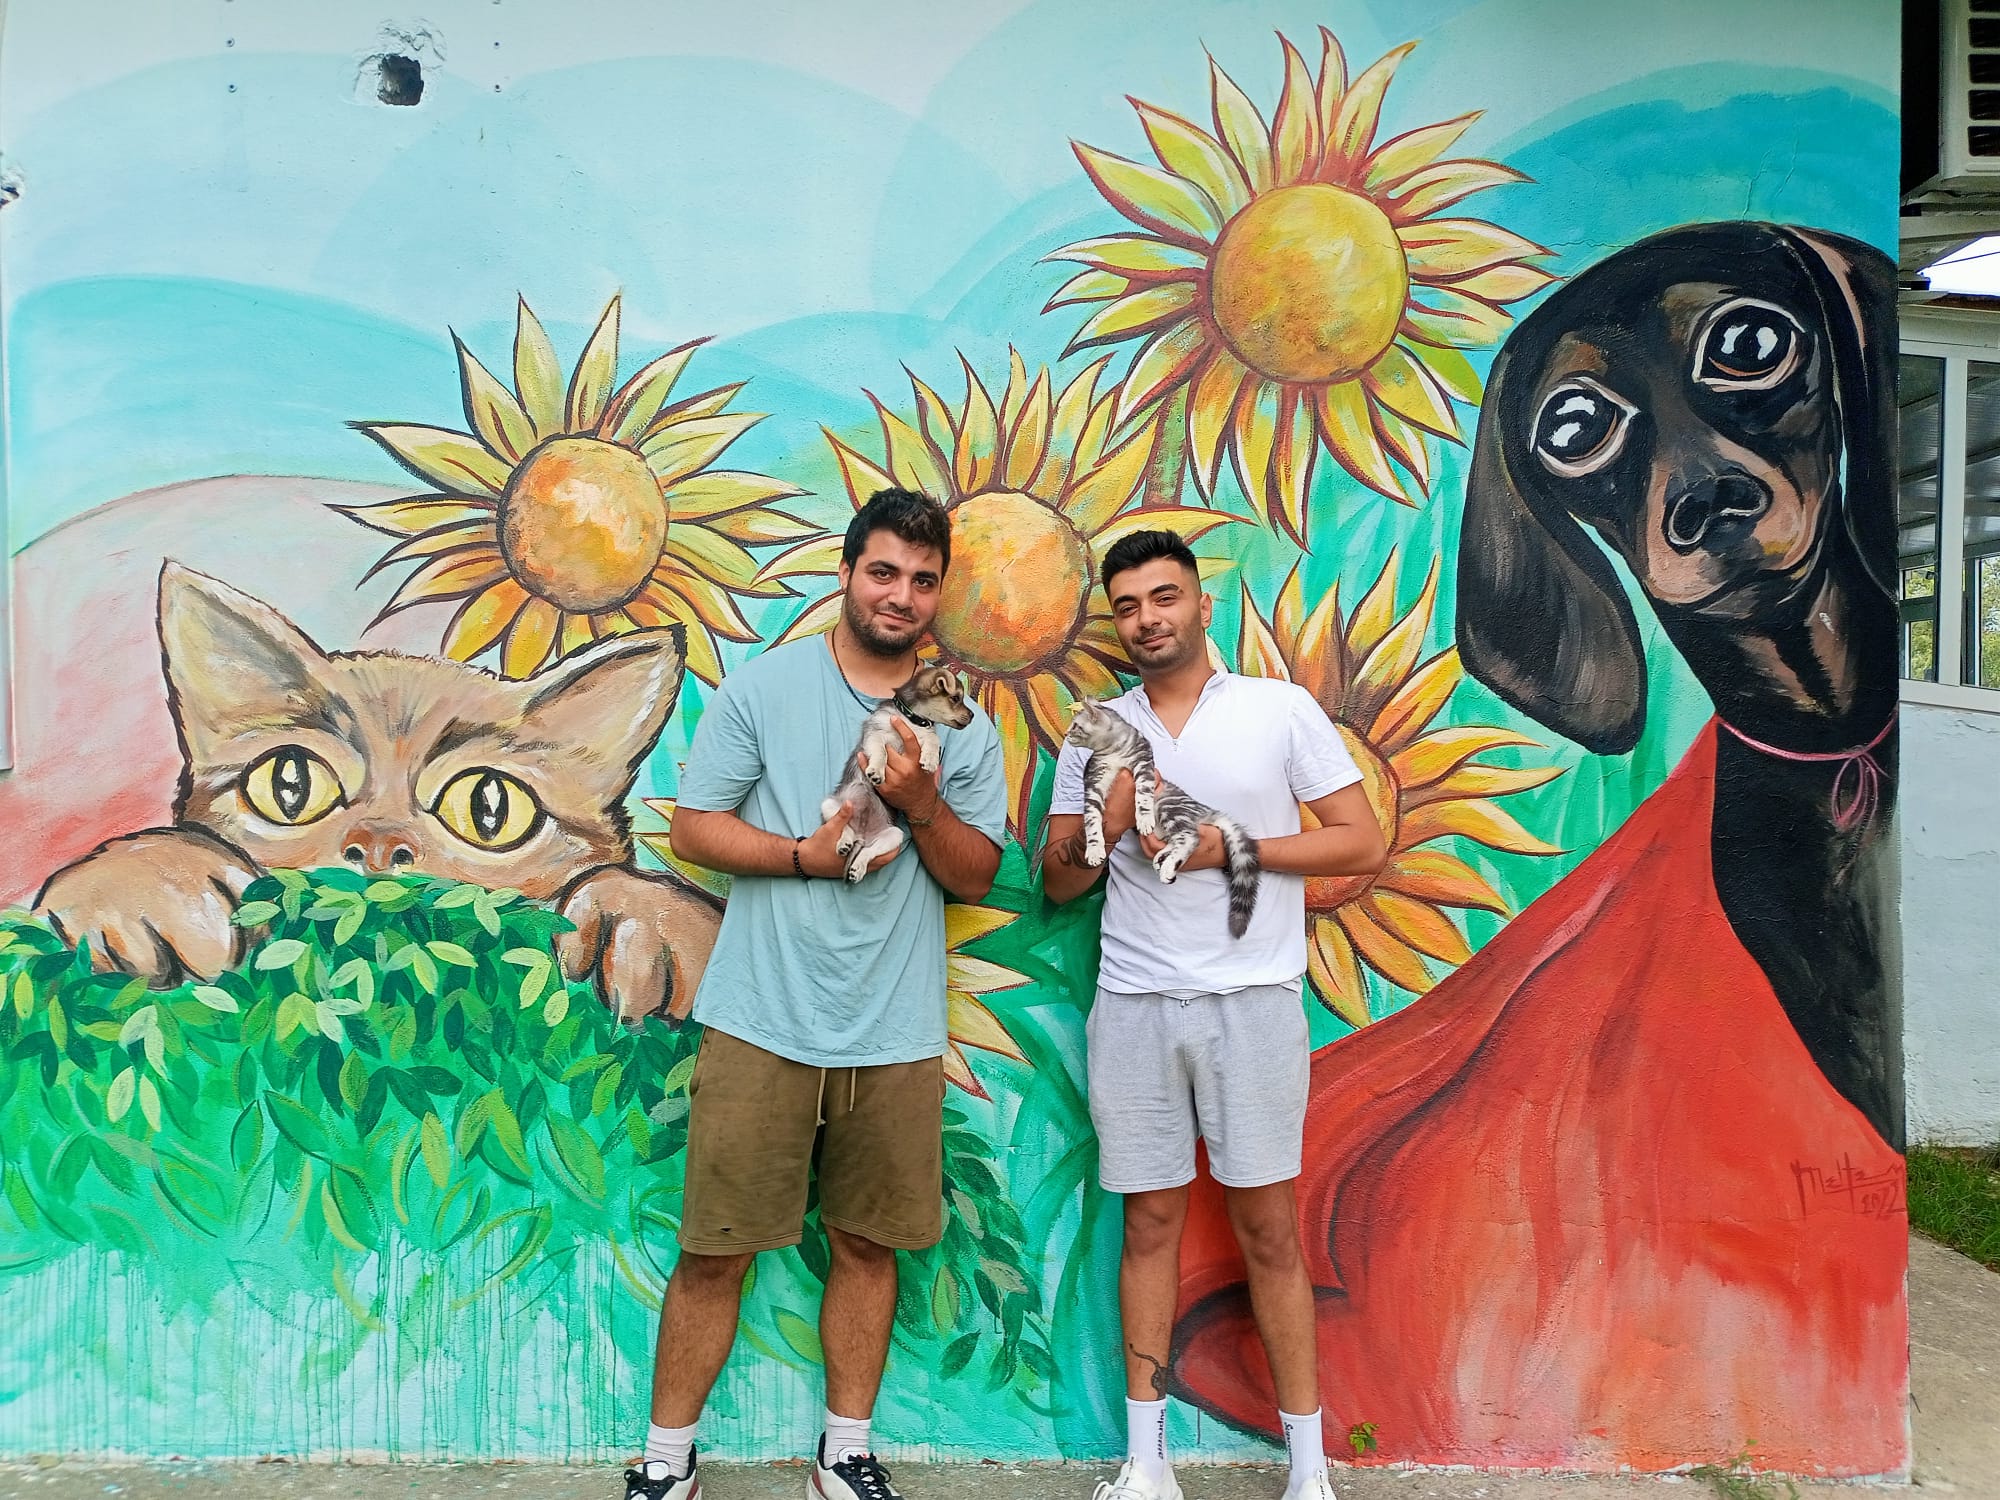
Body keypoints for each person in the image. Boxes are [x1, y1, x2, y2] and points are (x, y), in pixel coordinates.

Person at [628, 488, 1006, 1500]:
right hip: (761, 1019)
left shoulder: (961, 723)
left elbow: (976, 875)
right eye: (883, 572)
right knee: (715, 1250)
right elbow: (693, 828)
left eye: (922, 580)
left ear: (937, 595)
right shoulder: (765, 688)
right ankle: (666, 1460)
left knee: (868, 1245)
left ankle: (845, 1453)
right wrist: (802, 856)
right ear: (845, 573)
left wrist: (921, 804)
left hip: (893, 1031)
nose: (901, 595)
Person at [1041, 530, 1387, 1500]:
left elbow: (1359, 842)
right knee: (1147, 1224)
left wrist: (1227, 849)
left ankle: (1309, 1470)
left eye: (1164, 597)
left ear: (1201, 604)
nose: (1146, 619)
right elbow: (1057, 882)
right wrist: (1102, 830)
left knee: (1268, 1230)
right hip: (1134, 1005)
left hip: (1253, 1003)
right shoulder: (1095, 731)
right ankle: (1147, 1464)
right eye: (1127, 606)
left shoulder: (1277, 710)